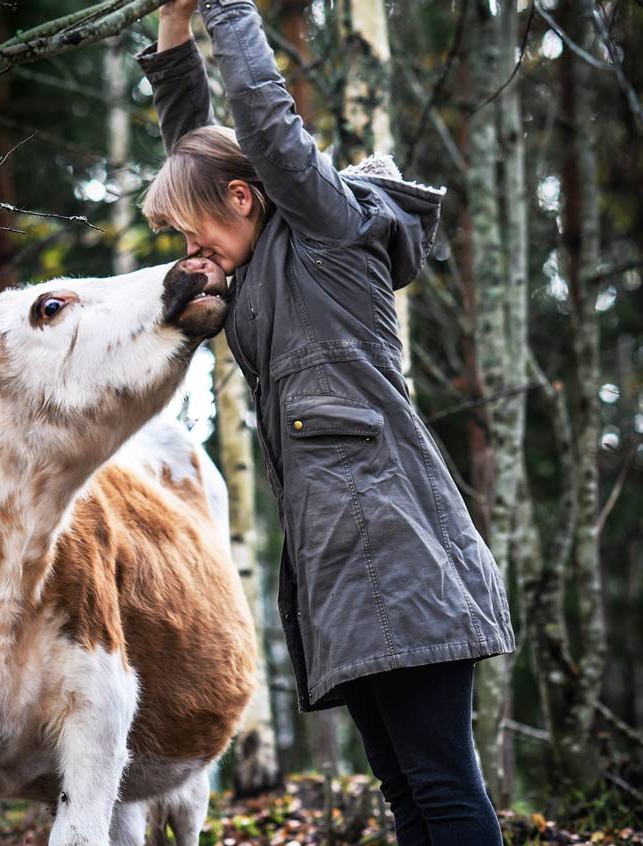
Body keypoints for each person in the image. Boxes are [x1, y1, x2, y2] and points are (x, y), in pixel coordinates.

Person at [135, 1, 517, 843]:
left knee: (443, 791)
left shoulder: (327, 234)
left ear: (245, 199)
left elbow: (265, 126)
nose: (188, 258)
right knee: (411, 796)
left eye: (194, 237)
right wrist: (173, 23)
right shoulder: (259, 262)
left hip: (398, 553)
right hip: (347, 571)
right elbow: (193, 148)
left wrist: (229, 9)